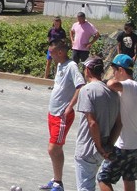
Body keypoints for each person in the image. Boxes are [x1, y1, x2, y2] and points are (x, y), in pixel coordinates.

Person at [98, 54, 137, 191]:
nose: (113, 74)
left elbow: (111, 84)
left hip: (125, 145)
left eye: (114, 71)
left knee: (103, 178)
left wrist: (107, 80)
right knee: (129, 178)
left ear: (121, 70)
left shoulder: (129, 85)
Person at [40, 39, 86, 191]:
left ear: (60, 52)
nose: (49, 55)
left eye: (51, 52)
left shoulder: (71, 66)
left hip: (62, 115)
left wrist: (69, 107)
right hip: (52, 112)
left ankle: (58, 184)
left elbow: (80, 86)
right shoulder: (59, 64)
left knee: (53, 149)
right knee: (55, 149)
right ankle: (55, 179)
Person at [74, 58, 121, 191]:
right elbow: (119, 123)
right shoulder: (113, 93)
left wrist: (99, 147)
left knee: (85, 188)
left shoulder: (87, 90)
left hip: (88, 148)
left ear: (88, 70)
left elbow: (92, 123)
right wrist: (109, 146)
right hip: (104, 150)